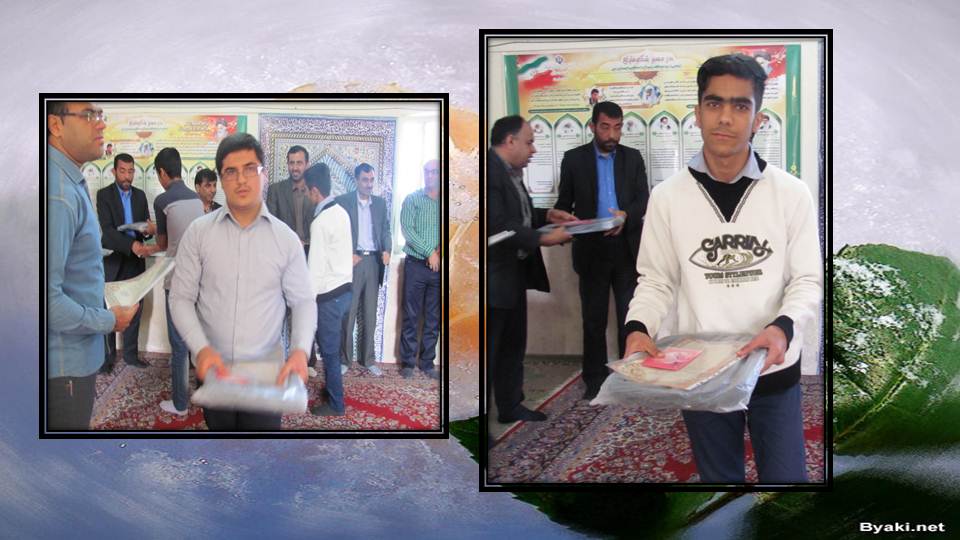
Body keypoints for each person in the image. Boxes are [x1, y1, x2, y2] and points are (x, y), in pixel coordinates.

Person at [621, 54, 822, 483]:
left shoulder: (791, 194)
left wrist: (783, 327)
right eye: (714, 104)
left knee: (787, 485)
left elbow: (807, 279)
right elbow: (656, 278)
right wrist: (637, 326)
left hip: (772, 368)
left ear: (758, 119)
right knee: (718, 487)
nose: (725, 117)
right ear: (697, 113)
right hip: (702, 371)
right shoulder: (668, 197)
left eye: (740, 106)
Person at [170, 133, 316, 430]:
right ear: (221, 180)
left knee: (260, 454)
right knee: (221, 451)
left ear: (264, 174)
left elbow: (302, 301)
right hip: (215, 370)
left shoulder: (285, 239)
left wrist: (301, 350)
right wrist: (201, 348)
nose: (241, 179)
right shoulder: (198, 233)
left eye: (250, 168)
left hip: (267, 377)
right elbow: (181, 297)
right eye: (230, 171)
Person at [47, 101, 138, 430]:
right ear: (56, 125)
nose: (100, 123)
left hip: (76, 357)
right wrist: (109, 320)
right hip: (64, 368)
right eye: (88, 115)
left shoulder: (69, 180)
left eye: (100, 115)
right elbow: (46, 301)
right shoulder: (57, 194)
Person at [554, 101, 650, 400]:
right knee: (593, 320)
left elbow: (644, 199)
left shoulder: (633, 158)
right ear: (593, 126)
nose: (612, 135)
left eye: (617, 127)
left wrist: (626, 215)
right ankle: (594, 380)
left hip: (625, 249)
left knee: (628, 318)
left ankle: (629, 376)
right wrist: (562, 219)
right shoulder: (574, 159)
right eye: (606, 127)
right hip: (591, 250)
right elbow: (564, 203)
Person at [487, 115, 574, 425]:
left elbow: (518, 217)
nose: (533, 149)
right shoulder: (487, 173)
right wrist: (543, 238)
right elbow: (496, 226)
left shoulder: (511, 172)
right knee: (490, 352)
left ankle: (511, 406)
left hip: (514, 275)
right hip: (492, 281)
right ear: (510, 141)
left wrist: (547, 215)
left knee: (513, 346)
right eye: (529, 142)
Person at [152, 147, 205, 417]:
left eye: (158, 174)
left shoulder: (162, 200)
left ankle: (180, 404)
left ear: (162, 172)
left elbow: (163, 244)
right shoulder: (196, 199)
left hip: (176, 281)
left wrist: (148, 238)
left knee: (178, 344)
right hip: (199, 280)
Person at [96, 152, 156, 373]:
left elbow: (144, 230)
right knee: (109, 310)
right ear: (114, 171)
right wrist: (131, 245)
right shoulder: (104, 195)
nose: (127, 176)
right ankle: (107, 359)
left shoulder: (140, 196)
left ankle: (131, 356)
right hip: (113, 260)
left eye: (130, 171)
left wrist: (148, 232)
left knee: (135, 309)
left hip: (135, 262)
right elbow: (108, 232)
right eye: (122, 171)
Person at [304, 163, 353, 416]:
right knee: (333, 348)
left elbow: (315, 270)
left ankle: (336, 404)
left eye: (307, 191)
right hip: (345, 292)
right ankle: (333, 389)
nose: (306, 195)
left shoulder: (321, 222)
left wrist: (307, 305)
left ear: (315, 191)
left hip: (329, 298)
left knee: (330, 352)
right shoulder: (342, 212)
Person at [335, 163, 391, 377]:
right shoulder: (343, 202)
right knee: (348, 315)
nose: (369, 184)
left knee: (370, 315)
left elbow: (386, 230)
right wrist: (346, 254)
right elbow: (337, 232)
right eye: (365, 180)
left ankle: (368, 360)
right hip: (353, 262)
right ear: (357, 180)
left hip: (373, 263)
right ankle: (344, 360)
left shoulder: (380, 204)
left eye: (371, 180)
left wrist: (387, 249)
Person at [267, 145, 317, 371]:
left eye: (299, 163)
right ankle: (274, 359)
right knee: (277, 310)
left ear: (307, 164)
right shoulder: (276, 190)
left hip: (309, 258)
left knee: (305, 308)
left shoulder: (314, 191)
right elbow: (269, 224)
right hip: (282, 258)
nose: (295, 167)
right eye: (291, 163)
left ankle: (306, 361)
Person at [397, 159, 441, 380]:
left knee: (434, 318)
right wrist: (429, 252)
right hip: (416, 265)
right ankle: (407, 362)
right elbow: (408, 230)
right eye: (427, 171)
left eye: (434, 172)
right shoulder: (412, 199)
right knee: (411, 316)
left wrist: (439, 252)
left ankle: (427, 362)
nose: (430, 175)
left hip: (439, 268)